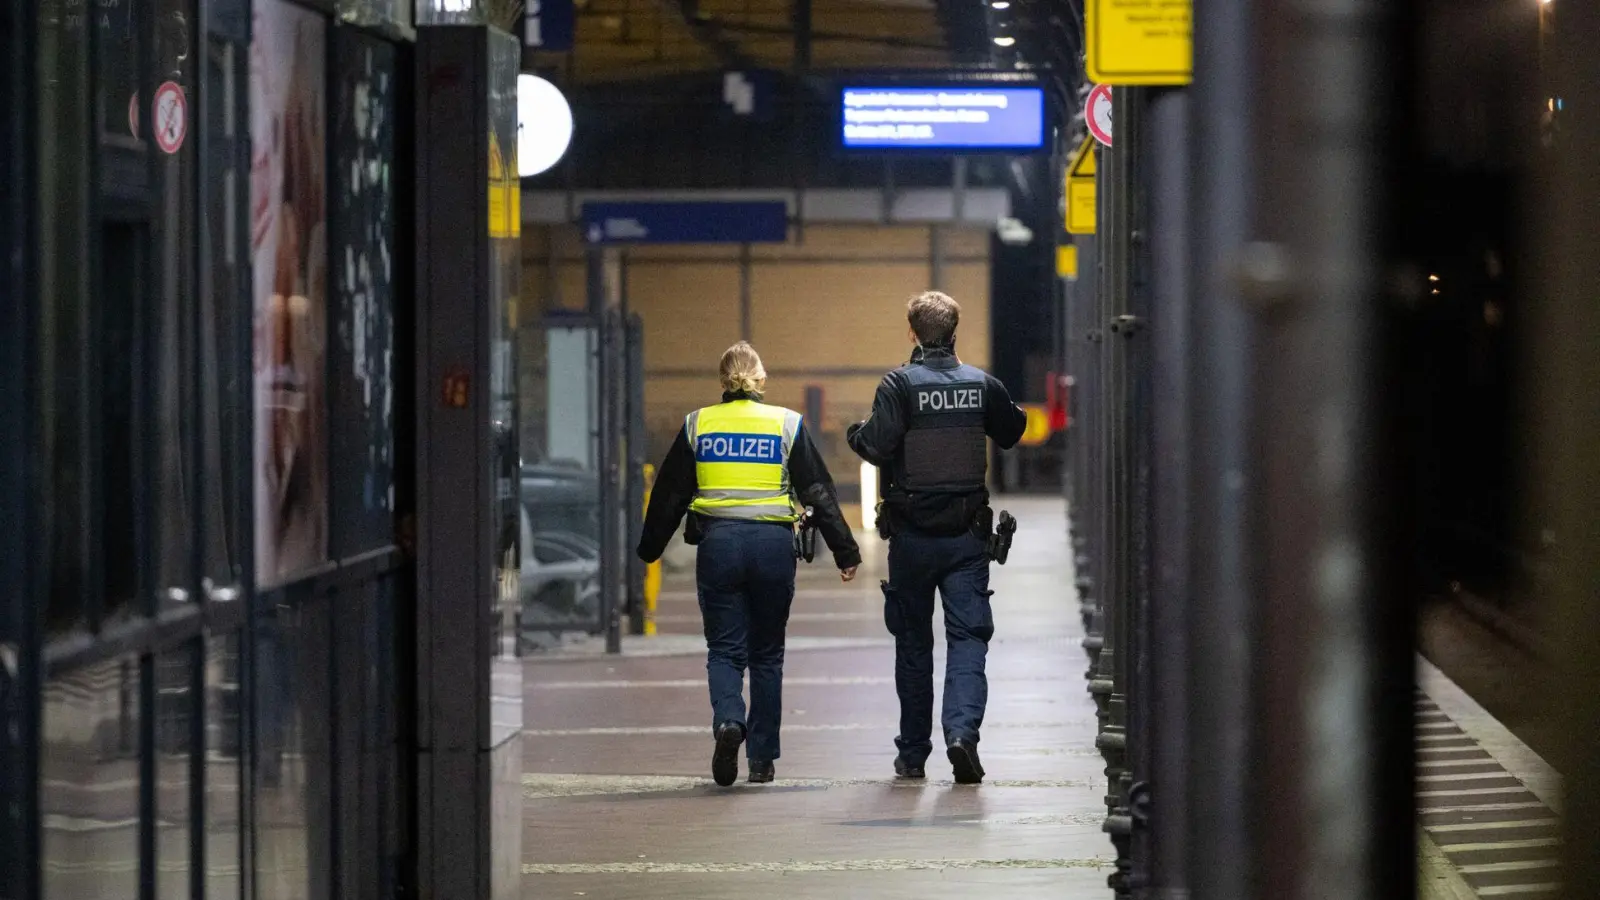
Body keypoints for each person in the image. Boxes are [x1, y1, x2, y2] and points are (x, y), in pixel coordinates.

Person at [638, 341, 861, 786]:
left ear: (723, 381)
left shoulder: (698, 424)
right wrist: (845, 550)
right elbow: (817, 491)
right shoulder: (786, 423)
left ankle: (728, 723)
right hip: (773, 547)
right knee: (767, 655)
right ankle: (761, 760)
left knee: (724, 650)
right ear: (761, 379)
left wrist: (650, 549)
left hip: (719, 545)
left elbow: (669, 494)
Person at [846, 291, 1027, 784]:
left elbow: (876, 446)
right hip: (967, 540)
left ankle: (912, 755)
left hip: (911, 539)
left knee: (913, 644)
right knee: (969, 638)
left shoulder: (898, 385)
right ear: (955, 331)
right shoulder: (981, 384)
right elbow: (1013, 431)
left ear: (912, 332)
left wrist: (854, 433)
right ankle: (961, 734)